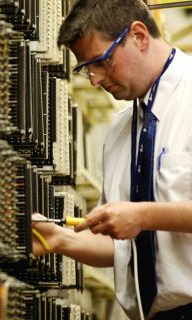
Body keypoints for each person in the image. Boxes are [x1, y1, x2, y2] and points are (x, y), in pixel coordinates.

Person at [32, 1, 192, 319]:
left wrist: (143, 215)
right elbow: (124, 246)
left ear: (138, 35)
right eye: (85, 68)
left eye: (101, 62)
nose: (94, 79)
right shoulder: (120, 129)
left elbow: (139, 220)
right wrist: (60, 240)